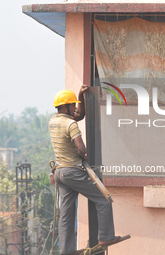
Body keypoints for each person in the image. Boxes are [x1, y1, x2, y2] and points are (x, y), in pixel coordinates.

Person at [49, 86, 119, 255]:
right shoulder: (70, 124)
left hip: (60, 173)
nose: (75, 108)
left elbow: (79, 115)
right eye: (73, 105)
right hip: (73, 171)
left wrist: (80, 95)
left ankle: (66, 250)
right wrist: (85, 155)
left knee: (66, 214)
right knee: (104, 199)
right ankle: (105, 237)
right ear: (65, 107)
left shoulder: (53, 121)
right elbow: (81, 148)